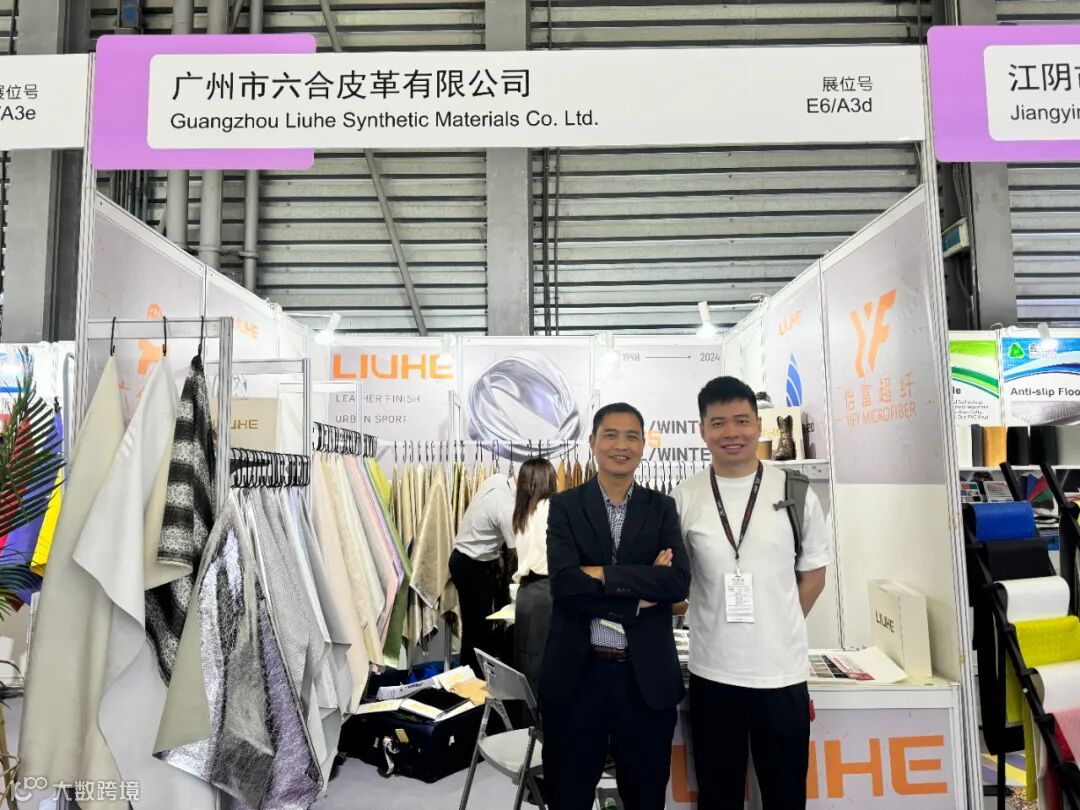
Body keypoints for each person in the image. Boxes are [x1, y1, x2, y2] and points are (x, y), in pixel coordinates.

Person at [673, 376, 830, 810]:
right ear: (702, 430)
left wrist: (778, 625)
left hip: (781, 676)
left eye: (741, 421)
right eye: (718, 423)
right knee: (718, 797)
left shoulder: (795, 493)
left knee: (785, 797)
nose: (731, 432)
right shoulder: (685, 497)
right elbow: (675, 584)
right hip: (713, 675)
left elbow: (814, 576)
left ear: (758, 425)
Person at [539, 403, 690, 810]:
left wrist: (603, 575)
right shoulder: (565, 506)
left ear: (643, 446)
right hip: (577, 676)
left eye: (631, 436)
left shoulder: (662, 507)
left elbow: (677, 582)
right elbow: (565, 584)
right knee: (568, 797)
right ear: (592, 442)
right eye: (610, 435)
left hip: (644, 681)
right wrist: (638, 595)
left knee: (645, 798)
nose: (621, 445)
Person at [449, 471, 515, 674]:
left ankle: (469, 674)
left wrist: (496, 555)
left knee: (473, 627)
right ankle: (475, 677)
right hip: (473, 566)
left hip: (460, 559)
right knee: (479, 629)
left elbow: (484, 522)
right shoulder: (508, 509)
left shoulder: (497, 480)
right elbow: (519, 551)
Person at [510, 457, 558, 694]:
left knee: (525, 663)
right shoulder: (552, 509)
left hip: (526, 594)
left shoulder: (522, 513)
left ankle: (525, 716)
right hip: (546, 593)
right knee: (544, 665)